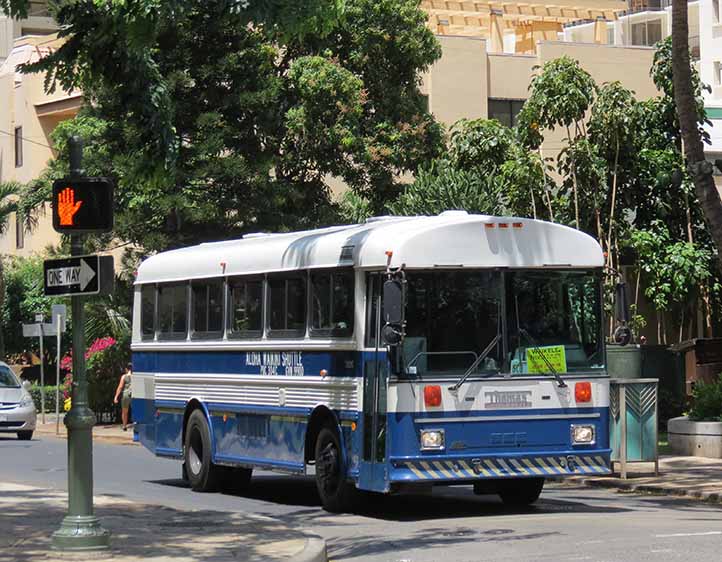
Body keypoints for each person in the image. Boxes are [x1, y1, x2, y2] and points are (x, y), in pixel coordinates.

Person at [113, 363, 133, 430]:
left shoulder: (124, 376)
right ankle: (137, 425)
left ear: (126, 369)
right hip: (134, 395)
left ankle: (124, 426)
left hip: (126, 395)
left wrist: (116, 397)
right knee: (136, 411)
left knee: (125, 412)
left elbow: (120, 387)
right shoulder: (136, 376)